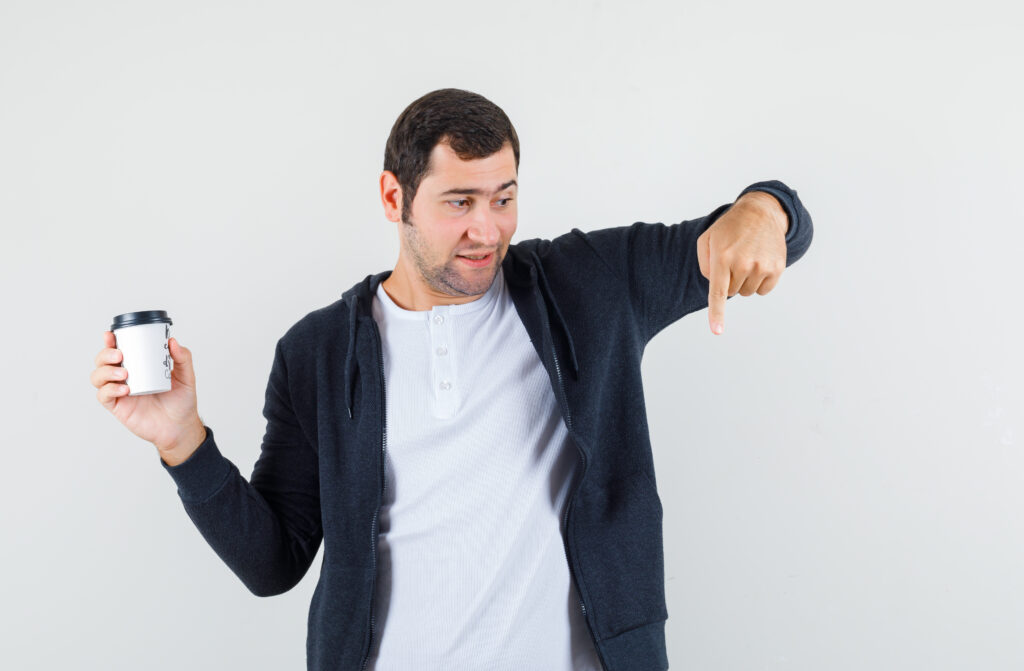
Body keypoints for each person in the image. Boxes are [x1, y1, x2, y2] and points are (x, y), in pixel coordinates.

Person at [91, 88, 814, 671]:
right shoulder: (316, 351)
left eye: (504, 197)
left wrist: (765, 209)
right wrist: (183, 442)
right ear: (391, 197)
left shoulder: (587, 286)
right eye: (458, 202)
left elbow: (766, 227)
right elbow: (274, 561)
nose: (488, 230)